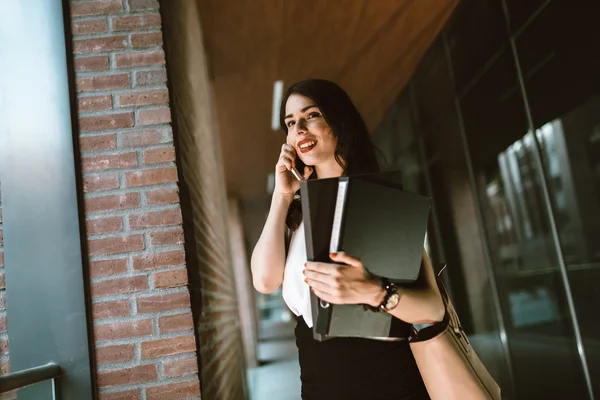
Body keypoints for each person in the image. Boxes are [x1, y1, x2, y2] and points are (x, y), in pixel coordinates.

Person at [251, 79, 445, 400]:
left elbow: (433, 309)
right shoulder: (298, 214)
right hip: (319, 384)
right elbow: (264, 280)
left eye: (310, 115)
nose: (298, 128)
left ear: (339, 122)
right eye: (289, 122)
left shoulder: (378, 200)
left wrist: (373, 291)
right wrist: (282, 196)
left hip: (386, 380)